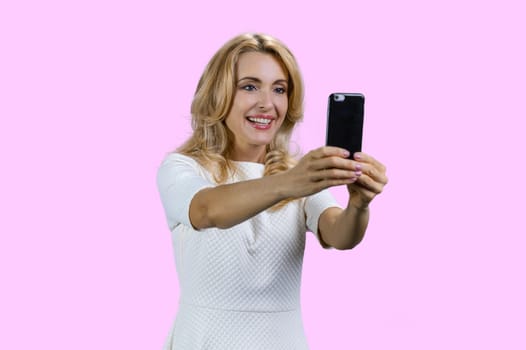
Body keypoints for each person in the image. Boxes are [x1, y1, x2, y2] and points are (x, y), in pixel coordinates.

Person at [157, 33, 388, 349]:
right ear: (218, 94)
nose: (267, 103)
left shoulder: (297, 175)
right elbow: (206, 210)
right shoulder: (182, 168)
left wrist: (359, 205)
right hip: (205, 339)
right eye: (249, 86)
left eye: (279, 89)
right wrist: (291, 182)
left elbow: (340, 235)